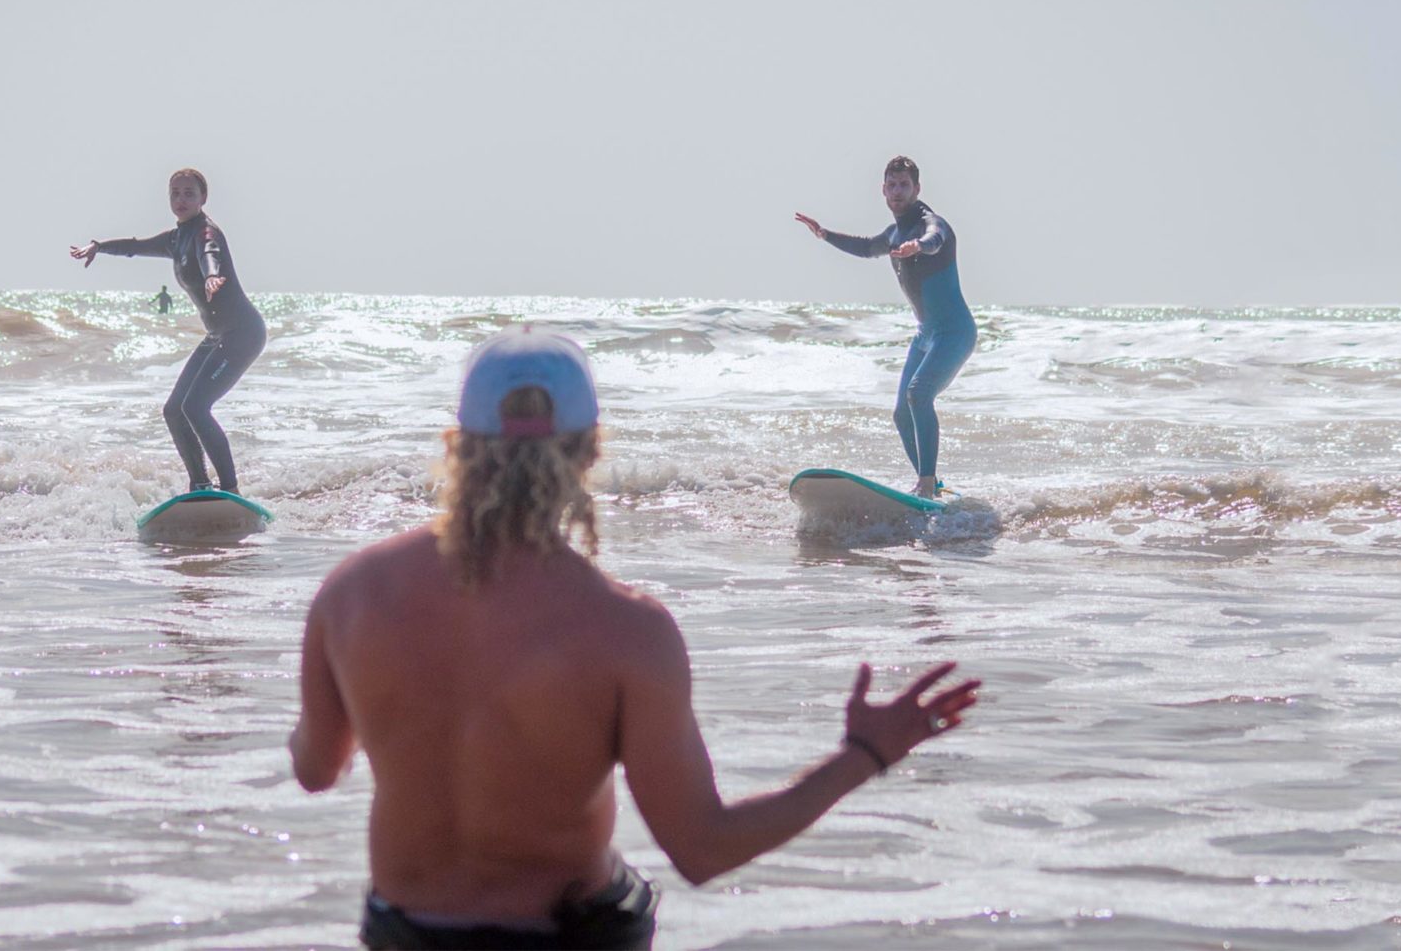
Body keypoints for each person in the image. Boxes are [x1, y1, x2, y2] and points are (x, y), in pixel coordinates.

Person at [289, 327, 980, 950]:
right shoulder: (626, 630)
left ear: (458, 445)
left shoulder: (353, 593)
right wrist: (865, 752)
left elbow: (316, 770)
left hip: (405, 935)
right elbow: (702, 847)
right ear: (588, 450)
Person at [70, 169, 267, 495]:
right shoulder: (176, 239)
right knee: (174, 410)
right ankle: (200, 485)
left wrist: (212, 276)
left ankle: (231, 491)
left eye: (189, 193)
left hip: (242, 333)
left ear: (203, 198)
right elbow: (136, 246)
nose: (181, 199)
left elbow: (210, 255)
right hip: (218, 335)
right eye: (175, 193)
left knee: (196, 407)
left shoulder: (206, 233)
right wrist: (99, 246)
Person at [795, 156, 977, 499]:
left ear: (917, 188)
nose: (897, 191)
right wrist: (824, 234)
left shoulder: (931, 224)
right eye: (892, 185)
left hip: (954, 332)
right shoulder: (894, 232)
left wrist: (918, 246)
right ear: (883, 190)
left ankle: (926, 485)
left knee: (919, 394)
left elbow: (936, 239)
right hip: (926, 335)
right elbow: (866, 247)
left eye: (904, 185)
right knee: (901, 414)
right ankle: (932, 485)